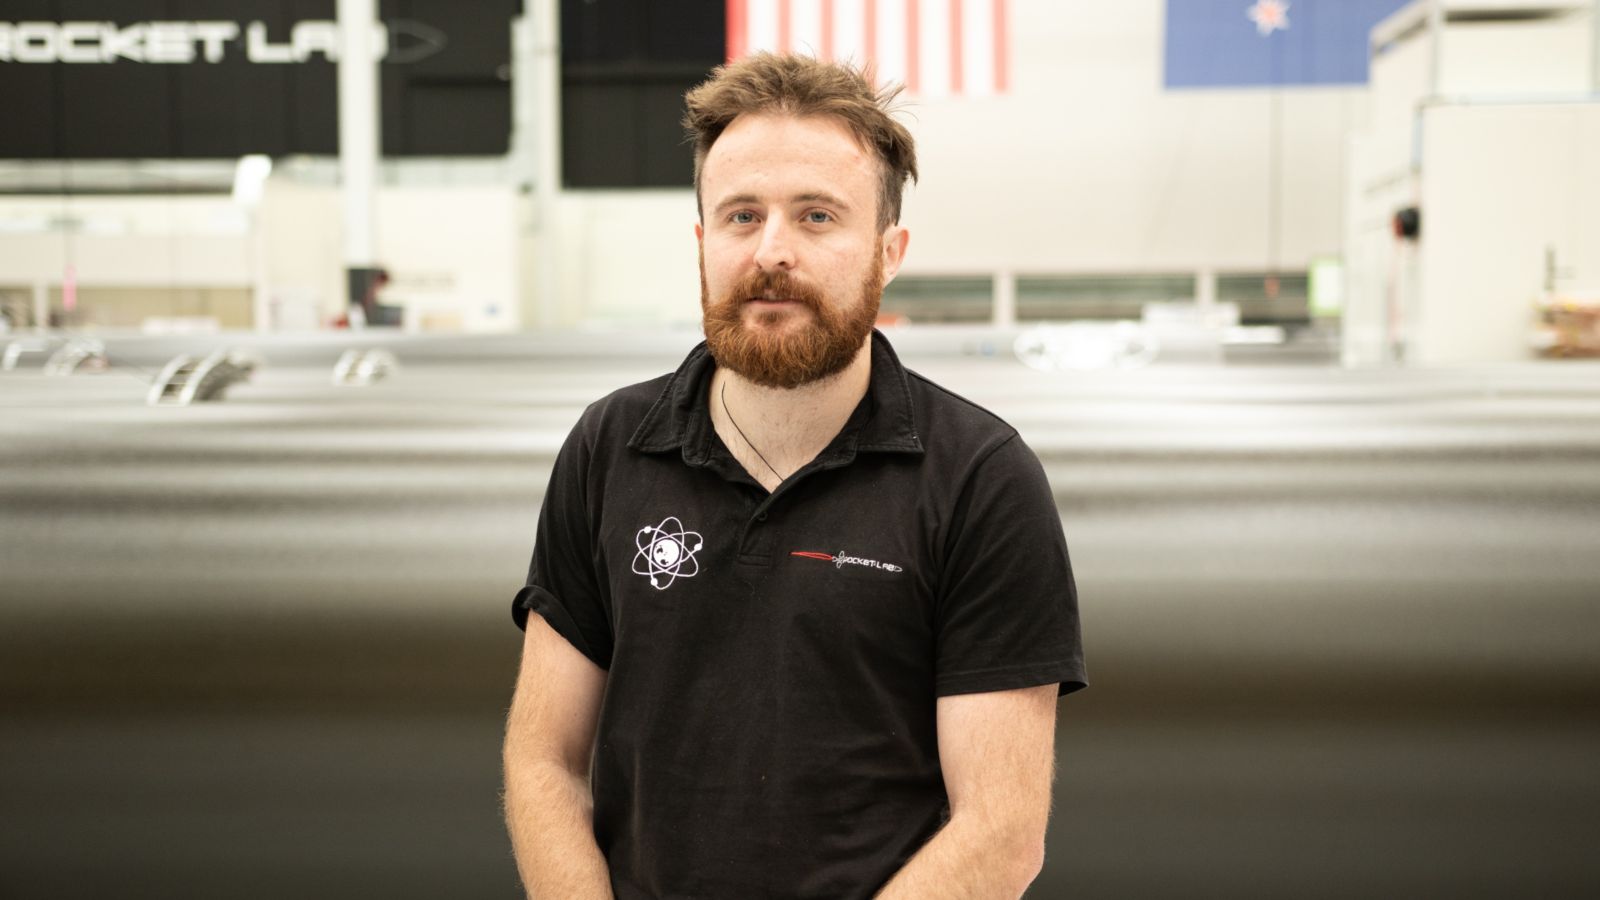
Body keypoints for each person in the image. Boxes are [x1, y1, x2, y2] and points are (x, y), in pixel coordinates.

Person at [503, 53, 1086, 900]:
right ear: (704, 243)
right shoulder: (609, 447)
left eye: (817, 216)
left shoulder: (980, 479)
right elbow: (545, 761)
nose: (772, 251)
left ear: (889, 252)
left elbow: (1001, 831)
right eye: (742, 216)